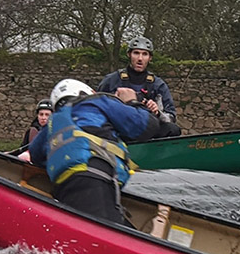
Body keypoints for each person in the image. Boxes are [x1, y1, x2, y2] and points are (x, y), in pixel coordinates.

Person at [29, 78, 159, 226]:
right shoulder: (96, 102)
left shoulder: (52, 124)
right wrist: (132, 101)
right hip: (95, 178)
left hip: (64, 188)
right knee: (107, 235)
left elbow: (35, 154)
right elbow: (147, 126)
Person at [97, 36, 182, 138]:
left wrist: (157, 112)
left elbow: (171, 117)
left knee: (173, 129)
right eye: (136, 53)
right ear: (129, 54)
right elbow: (97, 109)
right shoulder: (111, 80)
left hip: (148, 129)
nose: (140, 59)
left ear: (150, 58)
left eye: (145, 54)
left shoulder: (158, 85)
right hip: (119, 129)